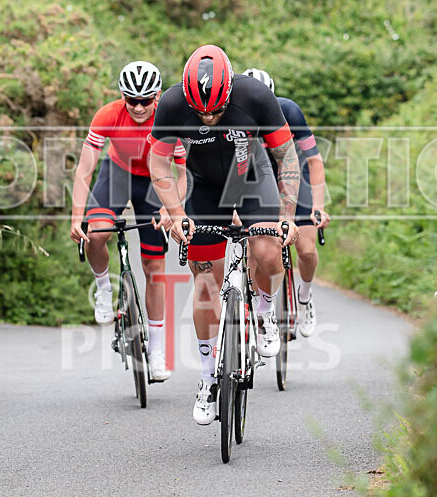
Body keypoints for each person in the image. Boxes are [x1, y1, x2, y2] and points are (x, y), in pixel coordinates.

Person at [148, 45, 301, 424]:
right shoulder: (170, 104)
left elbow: (286, 157)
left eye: (216, 109)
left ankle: (264, 311)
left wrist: (287, 216)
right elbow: (158, 161)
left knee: (267, 254)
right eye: (200, 111)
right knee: (205, 285)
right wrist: (176, 212)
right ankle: (206, 379)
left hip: (253, 181)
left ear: (230, 90)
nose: (208, 116)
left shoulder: (255, 96)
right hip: (205, 189)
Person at [70, 61, 186, 382]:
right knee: (97, 233)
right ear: (122, 96)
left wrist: (171, 211)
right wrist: (76, 215)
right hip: (118, 173)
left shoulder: (170, 120)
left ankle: (158, 351)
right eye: (130, 100)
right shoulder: (107, 115)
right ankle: (104, 288)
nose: (137, 107)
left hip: (155, 180)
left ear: (157, 97)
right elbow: (84, 169)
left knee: (154, 268)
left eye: (145, 101)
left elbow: (184, 174)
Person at [243, 68, 331, 337]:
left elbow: (314, 161)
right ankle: (256, 310)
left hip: (294, 171)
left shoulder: (289, 111)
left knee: (305, 249)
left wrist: (317, 206)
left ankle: (304, 296)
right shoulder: (236, 117)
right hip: (257, 175)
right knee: (255, 249)